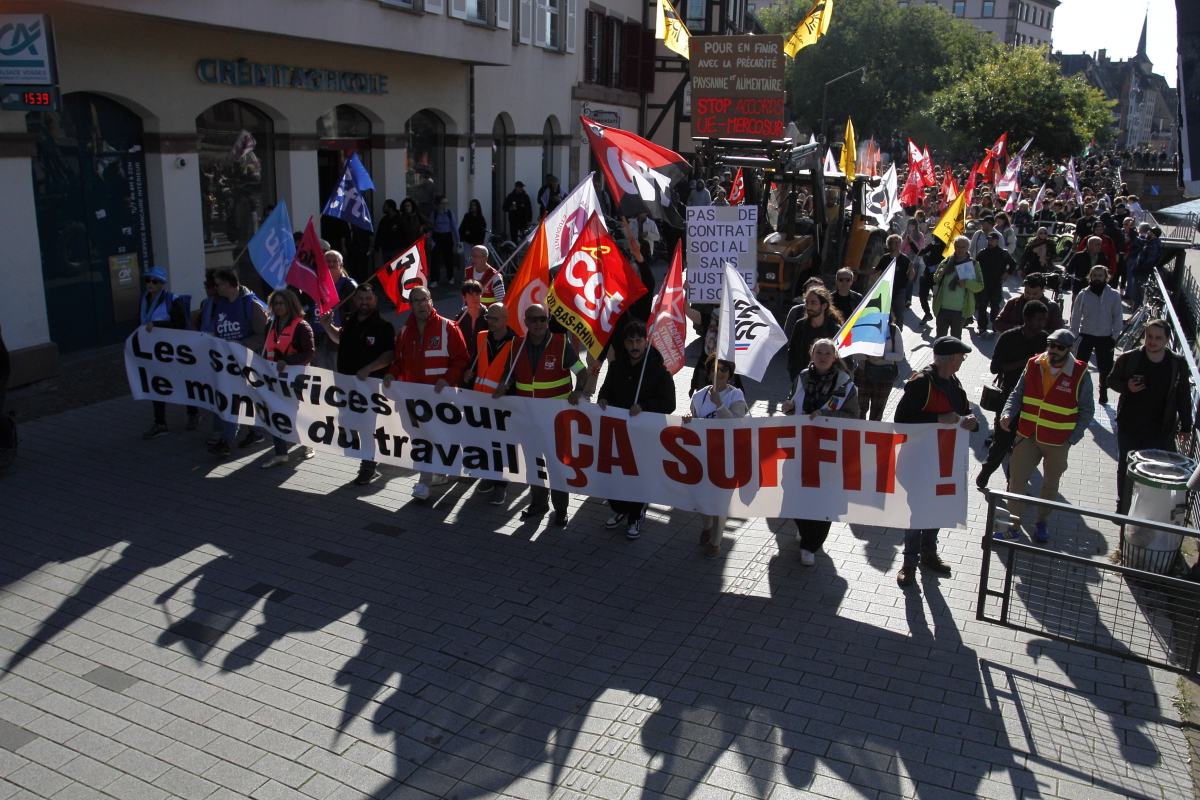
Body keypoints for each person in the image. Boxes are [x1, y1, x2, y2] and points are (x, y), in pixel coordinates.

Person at [893, 336, 979, 587]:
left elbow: (963, 414)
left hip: (945, 461)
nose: (963, 360)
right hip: (917, 461)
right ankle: (909, 563)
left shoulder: (954, 382)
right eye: (961, 356)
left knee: (938, 508)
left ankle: (928, 553)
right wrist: (938, 419)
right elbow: (901, 422)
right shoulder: (921, 383)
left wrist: (973, 422)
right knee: (917, 513)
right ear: (951, 358)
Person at [999, 328, 1095, 542]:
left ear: (1070, 349)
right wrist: (1007, 413)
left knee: (1050, 485)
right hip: (1028, 435)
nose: (1054, 350)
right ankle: (1013, 526)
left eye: (1060, 347)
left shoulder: (1080, 372)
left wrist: (1073, 437)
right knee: (1016, 480)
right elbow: (1017, 393)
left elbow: (1087, 410)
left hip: (1058, 441)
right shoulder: (1034, 364)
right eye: (1051, 345)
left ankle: (1042, 522)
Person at [496, 303, 587, 524]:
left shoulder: (561, 345)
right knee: (534, 462)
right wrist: (503, 385)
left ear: (548, 321)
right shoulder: (516, 346)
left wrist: (578, 390)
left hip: (556, 421)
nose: (539, 323)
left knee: (557, 465)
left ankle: (561, 509)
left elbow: (582, 372)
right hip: (528, 419)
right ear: (526, 322)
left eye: (543, 319)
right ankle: (538, 503)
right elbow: (509, 373)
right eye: (534, 319)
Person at [382, 286, 470, 500]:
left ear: (431, 302)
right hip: (414, 400)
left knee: (440, 438)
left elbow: (462, 359)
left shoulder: (448, 327)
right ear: (410, 305)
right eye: (416, 301)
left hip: (442, 399)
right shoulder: (405, 331)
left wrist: (447, 379)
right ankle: (426, 480)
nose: (421, 304)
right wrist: (392, 374)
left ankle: (432, 477)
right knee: (421, 439)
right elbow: (399, 361)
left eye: (424, 300)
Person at [597, 321, 677, 539]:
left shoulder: (659, 371)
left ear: (646, 342)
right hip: (618, 433)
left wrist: (644, 406)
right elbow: (606, 388)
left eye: (638, 341)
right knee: (616, 474)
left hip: (644, 435)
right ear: (624, 343)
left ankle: (635, 516)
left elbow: (669, 403)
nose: (634, 346)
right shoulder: (616, 366)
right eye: (630, 341)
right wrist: (603, 398)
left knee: (639, 476)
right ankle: (620, 509)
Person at [783, 338, 860, 566]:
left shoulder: (845, 385)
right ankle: (804, 528)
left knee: (824, 498)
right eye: (819, 352)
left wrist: (826, 415)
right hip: (800, 446)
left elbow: (853, 417)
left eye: (828, 353)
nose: (823, 357)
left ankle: (810, 545)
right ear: (812, 354)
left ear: (835, 357)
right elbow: (793, 403)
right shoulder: (802, 377)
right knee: (794, 492)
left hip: (830, 451)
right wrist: (788, 407)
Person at [1107, 320, 1194, 513]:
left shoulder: (1177, 363)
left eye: (1158, 338)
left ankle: (1146, 510)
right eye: (1149, 336)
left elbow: (1183, 396)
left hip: (1160, 429)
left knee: (1155, 471)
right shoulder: (1130, 358)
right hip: (1130, 424)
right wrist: (1127, 387)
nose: (1152, 341)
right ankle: (1123, 506)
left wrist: (1186, 427)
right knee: (1126, 467)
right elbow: (1111, 380)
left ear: (1167, 339)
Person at [321, 283, 396, 485]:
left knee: (367, 426)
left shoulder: (383, 325)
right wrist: (328, 327)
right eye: (361, 299)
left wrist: (369, 368)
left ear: (375, 300)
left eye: (368, 299)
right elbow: (341, 339)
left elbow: (390, 354)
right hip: (348, 385)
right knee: (356, 424)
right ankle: (371, 458)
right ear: (354, 300)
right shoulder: (351, 320)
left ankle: (368, 467)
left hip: (370, 386)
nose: (364, 303)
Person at [977, 300, 1048, 489]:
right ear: (1027, 319)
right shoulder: (1008, 337)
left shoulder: (1044, 339)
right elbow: (995, 368)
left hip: (1033, 399)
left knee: (1021, 446)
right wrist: (1026, 362)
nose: (1041, 324)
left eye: (1044, 320)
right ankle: (985, 473)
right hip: (1008, 396)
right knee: (1002, 441)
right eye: (1038, 320)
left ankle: (1013, 485)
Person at [684, 353, 749, 559]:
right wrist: (689, 419)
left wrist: (720, 406)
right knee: (701, 497)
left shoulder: (736, 395)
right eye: (715, 369)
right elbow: (695, 422)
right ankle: (708, 526)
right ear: (707, 372)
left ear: (730, 373)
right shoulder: (698, 396)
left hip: (727, 455)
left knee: (721, 500)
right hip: (703, 455)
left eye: (724, 369)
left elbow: (736, 424)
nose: (719, 373)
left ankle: (716, 541)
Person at [201, 268, 268, 457]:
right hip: (227, 363)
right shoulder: (221, 304)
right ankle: (250, 434)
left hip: (247, 363)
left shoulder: (250, 304)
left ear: (227, 285)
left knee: (238, 400)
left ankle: (228, 440)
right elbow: (219, 329)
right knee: (234, 398)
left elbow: (264, 335)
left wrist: (242, 344)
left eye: (218, 284)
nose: (215, 288)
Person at [462, 302, 517, 505]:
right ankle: (489, 477)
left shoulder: (516, 343)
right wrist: (469, 373)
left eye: (494, 318)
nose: (490, 322)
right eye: (488, 318)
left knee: (502, 445)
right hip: (480, 401)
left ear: (506, 320)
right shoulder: (482, 337)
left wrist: (507, 386)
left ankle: (500, 486)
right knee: (485, 443)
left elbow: (516, 373)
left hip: (503, 404)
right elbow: (476, 362)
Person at [139, 266, 199, 439]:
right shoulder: (144, 299)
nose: (150, 284)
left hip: (173, 351)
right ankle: (160, 423)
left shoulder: (172, 300)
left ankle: (193, 413)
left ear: (162, 284)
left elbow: (180, 325)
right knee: (157, 385)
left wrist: (158, 325)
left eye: (154, 281)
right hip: (153, 351)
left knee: (183, 382)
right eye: (148, 280)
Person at [258, 289, 316, 468]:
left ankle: (308, 443)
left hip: (296, 378)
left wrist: (288, 361)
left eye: (282, 303)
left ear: (290, 304)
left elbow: (309, 353)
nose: (278, 306)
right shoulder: (270, 325)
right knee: (276, 413)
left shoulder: (302, 326)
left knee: (299, 413)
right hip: (274, 377)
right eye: (275, 303)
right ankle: (281, 454)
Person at [1070, 264, 1123, 405]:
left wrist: (1114, 337)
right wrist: (1074, 335)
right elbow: (1075, 316)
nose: (1097, 278)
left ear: (1106, 277)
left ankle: (1103, 392)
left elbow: (1118, 317)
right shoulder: (1083, 295)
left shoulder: (1113, 295)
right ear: (1090, 277)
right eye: (1095, 275)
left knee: (1105, 369)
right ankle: (1078, 392)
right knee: (1080, 366)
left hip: (1105, 337)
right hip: (1085, 335)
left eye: (1100, 275)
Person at [786, 286, 844, 385]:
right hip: (801, 379)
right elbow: (792, 350)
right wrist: (793, 371)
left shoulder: (834, 329)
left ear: (824, 306)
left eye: (813, 303)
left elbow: (842, 358)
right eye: (807, 303)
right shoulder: (800, 325)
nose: (809, 307)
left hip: (826, 382)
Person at [853, 311, 904, 421]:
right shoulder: (863, 329)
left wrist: (884, 356)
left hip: (884, 375)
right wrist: (867, 355)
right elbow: (854, 353)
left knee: (877, 411)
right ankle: (858, 430)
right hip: (863, 372)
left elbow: (900, 355)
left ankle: (873, 431)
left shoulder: (894, 330)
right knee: (859, 409)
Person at [931, 236, 983, 339]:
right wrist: (940, 274)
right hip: (942, 308)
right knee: (940, 339)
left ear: (967, 248)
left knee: (955, 340)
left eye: (963, 247)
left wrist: (967, 283)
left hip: (960, 311)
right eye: (958, 247)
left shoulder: (973, 264)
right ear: (954, 247)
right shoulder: (946, 262)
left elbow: (980, 286)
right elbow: (935, 279)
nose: (960, 249)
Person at [974, 230, 1016, 334]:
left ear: (997, 241)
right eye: (988, 240)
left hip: (996, 284)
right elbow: (975, 265)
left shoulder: (1003, 253)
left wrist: (1007, 273)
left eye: (992, 240)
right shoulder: (982, 253)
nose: (990, 242)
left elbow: (1013, 264)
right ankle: (982, 326)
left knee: (995, 306)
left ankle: (995, 326)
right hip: (983, 284)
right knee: (982, 306)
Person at [428, 195, 460, 288]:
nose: (445, 205)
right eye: (443, 203)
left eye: (446, 203)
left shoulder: (449, 213)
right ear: (438, 204)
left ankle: (450, 277)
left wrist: (458, 240)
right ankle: (434, 280)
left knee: (448, 257)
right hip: (437, 236)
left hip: (447, 236)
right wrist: (429, 239)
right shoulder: (434, 214)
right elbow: (431, 227)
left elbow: (454, 227)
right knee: (435, 259)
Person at [1127, 226, 1162, 307]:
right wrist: (1131, 229)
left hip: (1142, 274)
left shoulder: (1153, 246)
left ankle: (1136, 312)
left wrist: (1140, 270)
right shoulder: (1149, 243)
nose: (1147, 233)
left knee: (1138, 295)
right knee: (1136, 295)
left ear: (1153, 234)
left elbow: (1150, 261)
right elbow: (1136, 240)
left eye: (1149, 232)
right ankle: (1134, 310)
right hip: (1140, 273)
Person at [455, 280, 488, 362]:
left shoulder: (489, 318)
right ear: (464, 298)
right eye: (471, 295)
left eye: (477, 294)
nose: (475, 298)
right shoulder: (459, 319)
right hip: (464, 362)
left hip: (484, 361)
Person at [458, 199, 488, 263]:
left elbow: (481, 229)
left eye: (474, 205)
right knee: (467, 258)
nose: (472, 207)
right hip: (468, 240)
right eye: (471, 205)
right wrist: (460, 239)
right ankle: (469, 269)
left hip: (476, 241)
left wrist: (471, 232)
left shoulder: (480, 218)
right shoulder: (467, 216)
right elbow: (462, 227)